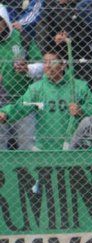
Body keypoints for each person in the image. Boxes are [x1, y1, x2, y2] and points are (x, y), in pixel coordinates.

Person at [0, 48, 92, 150]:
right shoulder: (36, 88)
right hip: (45, 147)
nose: (48, 66)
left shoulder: (79, 86)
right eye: (45, 62)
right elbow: (21, 106)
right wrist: (5, 113)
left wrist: (81, 110)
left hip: (76, 146)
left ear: (63, 65)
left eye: (52, 62)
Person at [0, 5, 41, 150]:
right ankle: (3, 173)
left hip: (23, 100)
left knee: (27, 144)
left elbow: (41, 65)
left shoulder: (22, 37)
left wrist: (28, 68)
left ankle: (30, 172)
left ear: (5, 20)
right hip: (0, 102)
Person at [36, 0, 92, 87]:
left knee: (83, 84)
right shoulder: (50, 5)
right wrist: (54, 39)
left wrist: (70, 37)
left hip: (80, 54)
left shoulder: (83, 5)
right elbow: (42, 30)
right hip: (57, 53)